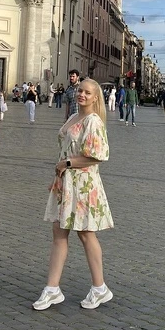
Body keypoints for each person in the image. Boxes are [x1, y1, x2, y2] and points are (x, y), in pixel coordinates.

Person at [33, 78, 114, 312]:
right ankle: (52, 288)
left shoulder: (93, 122)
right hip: (66, 182)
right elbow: (64, 150)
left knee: (86, 234)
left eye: (88, 93)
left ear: (95, 97)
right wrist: (58, 175)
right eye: (80, 91)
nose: (82, 95)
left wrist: (66, 163)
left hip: (83, 183)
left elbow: (98, 155)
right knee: (59, 232)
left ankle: (99, 287)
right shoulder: (72, 117)